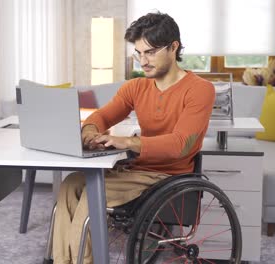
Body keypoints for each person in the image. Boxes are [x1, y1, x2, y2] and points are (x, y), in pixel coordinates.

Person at [52, 12, 215, 264]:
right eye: (138, 53)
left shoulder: (200, 90)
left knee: (90, 196)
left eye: (149, 52)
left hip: (167, 178)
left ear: (174, 47)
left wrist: (128, 142)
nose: (143, 61)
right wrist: (90, 131)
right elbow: (101, 116)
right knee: (70, 185)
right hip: (135, 170)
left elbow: (182, 144)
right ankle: (63, 260)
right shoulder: (135, 87)